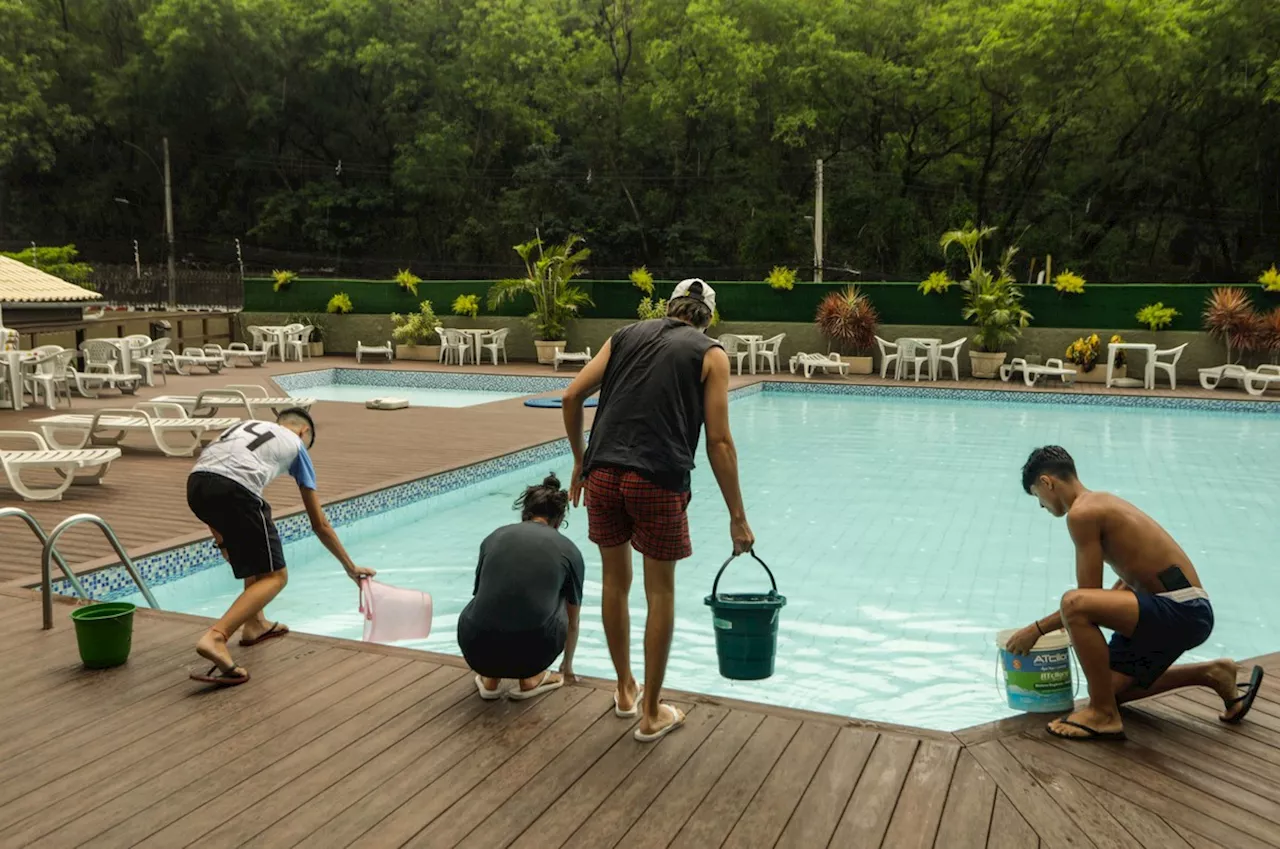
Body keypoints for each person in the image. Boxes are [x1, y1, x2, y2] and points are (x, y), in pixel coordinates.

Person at [562, 278, 754, 743]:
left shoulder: (625, 335)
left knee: (614, 582)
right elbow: (720, 441)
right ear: (709, 316)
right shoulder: (711, 354)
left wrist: (580, 461)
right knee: (660, 594)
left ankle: (625, 691)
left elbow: (571, 396)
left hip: (604, 473)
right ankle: (651, 712)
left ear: (668, 308)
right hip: (657, 479)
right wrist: (737, 515)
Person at [1008, 445, 1264, 740]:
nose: (1041, 505)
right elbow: (1131, 579)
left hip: (1183, 610)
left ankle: (1103, 715)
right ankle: (1213, 674)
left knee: (1074, 604)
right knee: (1109, 688)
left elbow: (1086, 598)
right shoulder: (1100, 502)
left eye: (1036, 496)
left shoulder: (1082, 513)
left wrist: (1036, 630)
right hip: (1185, 609)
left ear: (1046, 482)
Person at [185, 408, 374, 685]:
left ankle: (254, 624)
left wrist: (223, 540)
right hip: (236, 490)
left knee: (254, 557)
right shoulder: (297, 445)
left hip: (195, 485)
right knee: (276, 576)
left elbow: (212, 476)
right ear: (303, 432)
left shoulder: (245, 426)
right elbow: (319, 524)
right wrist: (350, 567)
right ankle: (216, 637)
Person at [458, 474, 584, 701]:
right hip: (532, 656)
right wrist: (567, 666)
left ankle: (490, 679)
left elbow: (483, 596)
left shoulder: (494, 537)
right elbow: (573, 623)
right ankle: (530, 679)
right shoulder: (569, 550)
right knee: (563, 598)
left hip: (474, 647)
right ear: (559, 519)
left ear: (525, 512)